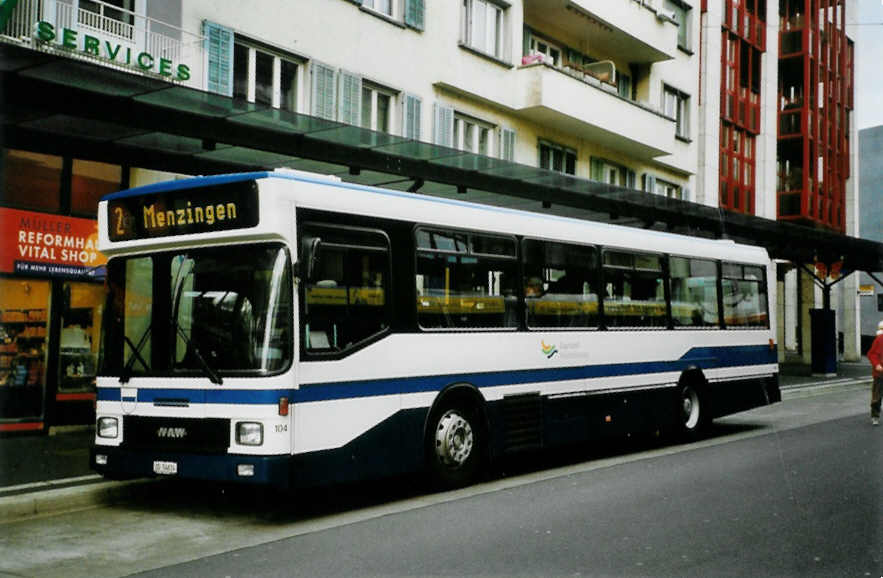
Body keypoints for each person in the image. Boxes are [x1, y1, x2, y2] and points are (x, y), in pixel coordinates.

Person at [865, 320, 883, 426]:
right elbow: (871, 354)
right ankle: (875, 416)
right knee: (877, 396)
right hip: (880, 374)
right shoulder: (879, 340)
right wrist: (877, 365)